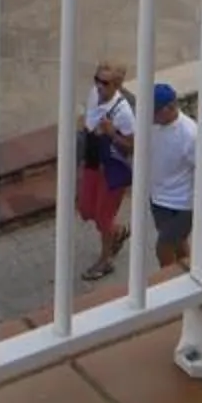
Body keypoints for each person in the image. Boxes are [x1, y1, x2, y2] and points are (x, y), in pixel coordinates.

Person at [77, 63, 136, 280]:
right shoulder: (94, 93)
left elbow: (132, 146)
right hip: (92, 162)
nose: (99, 86)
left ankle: (105, 260)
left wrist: (112, 134)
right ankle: (117, 232)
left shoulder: (123, 113)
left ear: (117, 85)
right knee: (85, 209)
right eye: (97, 79)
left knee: (103, 217)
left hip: (110, 169)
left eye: (105, 83)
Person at [141, 81, 199, 277]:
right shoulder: (153, 124)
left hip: (181, 204)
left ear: (170, 108)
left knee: (163, 247)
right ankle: (189, 275)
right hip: (157, 198)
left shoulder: (190, 134)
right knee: (179, 243)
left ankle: (169, 284)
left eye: (154, 112)